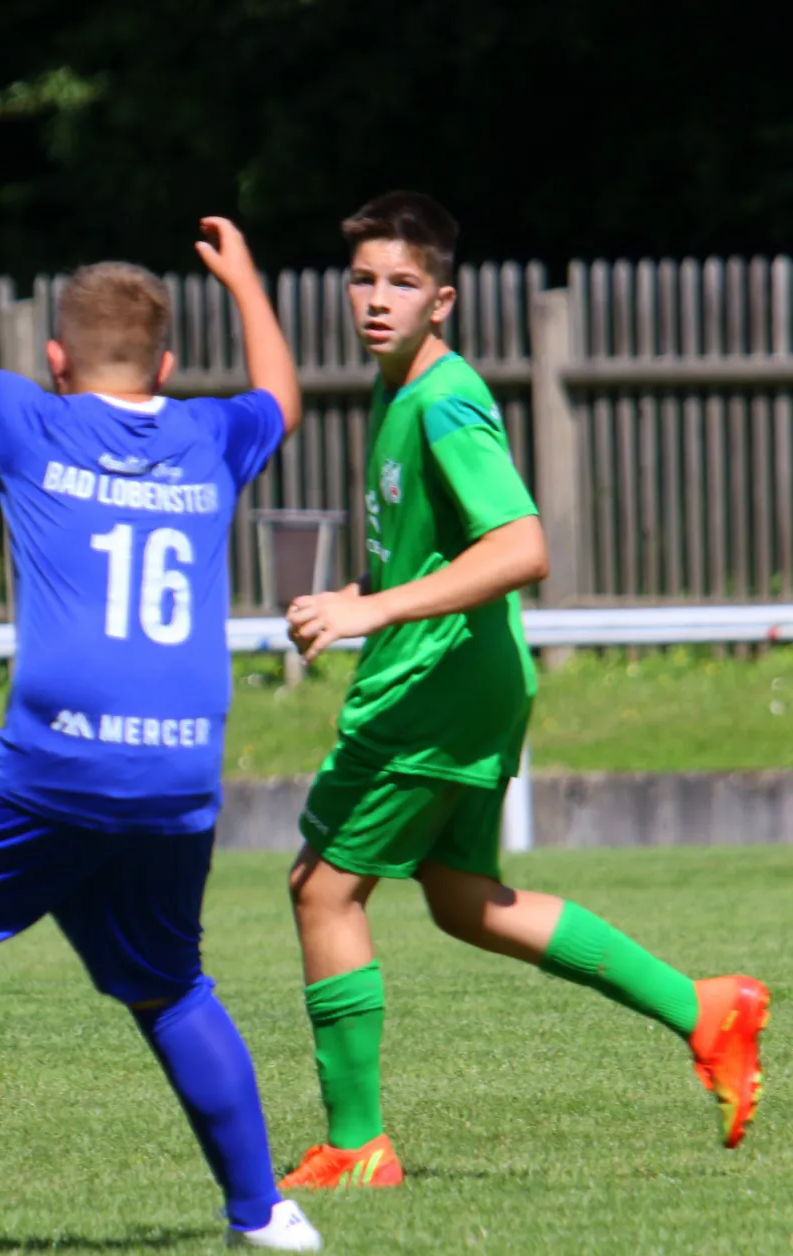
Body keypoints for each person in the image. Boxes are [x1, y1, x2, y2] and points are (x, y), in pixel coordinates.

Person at [0, 156, 322, 1256]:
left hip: (52, 760)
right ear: (167, 365)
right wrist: (245, 283)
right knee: (169, 984)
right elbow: (282, 396)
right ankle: (265, 1214)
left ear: (54, 359)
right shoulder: (208, 437)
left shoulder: (31, 422)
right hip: (178, 770)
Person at [276, 192, 767, 1189]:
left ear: (442, 300)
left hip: (435, 685)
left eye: (401, 282)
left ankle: (357, 1144)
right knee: (462, 900)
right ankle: (705, 1008)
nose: (378, 299)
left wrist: (376, 613)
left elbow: (521, 547)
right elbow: (434, 551)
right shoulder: (394, 388)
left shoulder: (443, 401)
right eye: (363, 280)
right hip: (468, 679)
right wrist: (361, 594)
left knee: (321, 889)